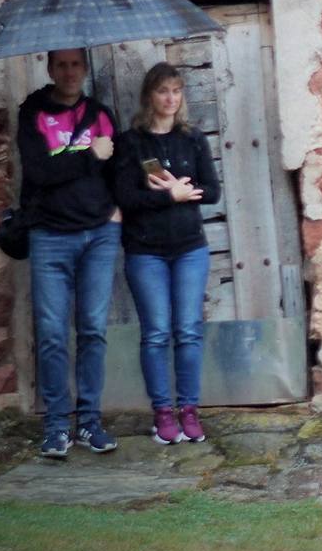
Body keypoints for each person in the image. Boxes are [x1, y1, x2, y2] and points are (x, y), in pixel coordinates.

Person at [18, 48, 121, 459]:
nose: (69, 72)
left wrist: (117, 210)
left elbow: (117, 166)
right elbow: (39, 171)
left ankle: (89, 422)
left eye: (76, 64)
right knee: (53, 334)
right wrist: (85, 155)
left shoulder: (100, 114)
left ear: (85, 68)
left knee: (93, 329)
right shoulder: (33, 113)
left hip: (98, 236)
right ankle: (57, 426)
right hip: (49, 236)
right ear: (49, 69)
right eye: (61, 64)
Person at [114, 62, 220, 445]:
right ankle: (163, 414)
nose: (171, 99)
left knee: (188, 331)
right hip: (146, 252)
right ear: (149, 96)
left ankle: (189, 410)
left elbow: (213, 190)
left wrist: (187, 191)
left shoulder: (192, 139)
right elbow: (125, 197)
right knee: (157, 333)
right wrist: (168, 195)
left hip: (190, 248)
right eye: (163, 91)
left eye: (177, 91)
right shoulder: (131, 143)